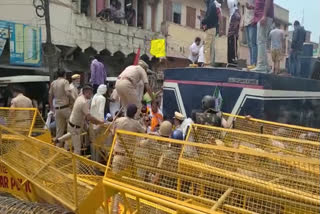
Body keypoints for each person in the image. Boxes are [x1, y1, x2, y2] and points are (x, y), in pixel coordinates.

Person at [111, 104, 146, 214]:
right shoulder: (136, 124)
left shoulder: (119, 120)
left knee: (115, 185)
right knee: (128, 184)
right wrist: (142, 122)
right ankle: (128, 208)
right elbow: (144, 132)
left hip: (117, 156)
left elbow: (112, 132)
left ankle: (114, 209)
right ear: (135, 113)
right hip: (128, 158)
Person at [57, 85, 104, 155]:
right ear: (87, 93)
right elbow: (89, 117)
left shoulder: (79, 98)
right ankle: (76, 165)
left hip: (71, 123)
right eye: (90, 94)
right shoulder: (84, 102)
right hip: (76, 127)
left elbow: (84, 114)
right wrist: (100, 122)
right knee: (77, 149)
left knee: (70, 134)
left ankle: (58, 140)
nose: (91, 96)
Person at [49, 70, 72, 144]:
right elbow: (68, 93)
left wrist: (52, 108)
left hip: (57, 109)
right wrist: (74, 100)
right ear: (64, 75)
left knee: (59, 131)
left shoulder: (53, 83)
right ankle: (67, 149)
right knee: (70, 130)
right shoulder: (65, 82)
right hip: (65, 108)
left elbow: (50, 96)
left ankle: (58, 149)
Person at [251, 0, 274, 73]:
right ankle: (265, 66)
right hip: (261, 16)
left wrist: (264, 15)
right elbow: (259, 4)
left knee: (261, 41)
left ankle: (261, 66)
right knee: (262, 41)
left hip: (264, 16)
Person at [89, 84, 107, 162]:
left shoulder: (94, 96)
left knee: (93, 142)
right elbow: (101, 111)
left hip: (92, 122)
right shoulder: (102, 98)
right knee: (99, 143)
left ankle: (93, 160)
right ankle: (97, 162)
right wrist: (102, 121)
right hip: (98, 123)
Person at [201, 0, 218, 66]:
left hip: (210, 28)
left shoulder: (211, 5)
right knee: (211, 46)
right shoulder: (213, 4)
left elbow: (209, 17)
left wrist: (203, 21)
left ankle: (207, 63)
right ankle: (210, 63)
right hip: (213, 28)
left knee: (207, 46)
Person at [243, 0, 257, 68]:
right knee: (249, 44)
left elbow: (259, 7)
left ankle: (254, 63)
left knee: (253, 43)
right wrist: (243, 23)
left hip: (252, 22)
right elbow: (245, 12)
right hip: (246, 23)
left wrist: (252, 7)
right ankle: (252, 63)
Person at [227, 0, 241, 65]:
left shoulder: (236, 13)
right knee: (230, 49)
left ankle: (233, 61)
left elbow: (237, 20)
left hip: (233, 34)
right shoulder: (232, 12)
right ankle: (230, 61)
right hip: (230, 34)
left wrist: (234, 30)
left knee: (233, 48)